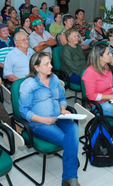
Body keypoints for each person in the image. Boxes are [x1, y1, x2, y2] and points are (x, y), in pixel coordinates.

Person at [19, 52, 80, 186]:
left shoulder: (54, 79)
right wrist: (43, 120)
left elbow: (62, 98)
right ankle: (71, 176)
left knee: (74, 128)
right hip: (39, 123)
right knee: (69, 141)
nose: (51, 66)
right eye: (46, 64)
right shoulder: (28, 85)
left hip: (59, 117)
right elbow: (23, 111)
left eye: (50, 63)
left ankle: (68, 177)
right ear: (36, 67)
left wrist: (63, 108)